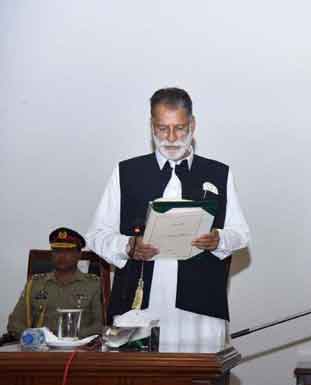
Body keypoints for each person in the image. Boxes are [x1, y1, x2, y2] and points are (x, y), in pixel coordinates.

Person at [86, 87, 250, 347]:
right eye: (163, 129)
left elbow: (240, 234)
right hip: (137, 308)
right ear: (152, 126)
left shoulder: (219, 173)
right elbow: (96, 236)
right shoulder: (126, 172)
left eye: (180, 128)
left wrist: (218, 239)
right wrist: (127, 246)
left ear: (193, 125)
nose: (171, 137)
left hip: (200, 312)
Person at [6, 227, 103, 339]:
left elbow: (100, 325)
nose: (61, 256)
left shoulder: (94, 285)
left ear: (79, 255)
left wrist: (67, 336)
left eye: (68, 251)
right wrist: (37, 338)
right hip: (40, 348)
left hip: (80, 349)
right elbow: (15, 323)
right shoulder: (35, 284)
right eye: (57, 251)